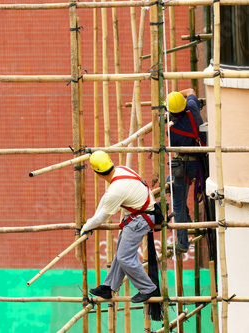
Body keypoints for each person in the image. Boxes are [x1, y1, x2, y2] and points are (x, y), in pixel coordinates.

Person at [80, 150, 158, 303]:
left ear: (97, 173)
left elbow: (103, 216)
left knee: (125, 257)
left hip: (140, 219)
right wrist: (91, 222)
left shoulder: (116, 190)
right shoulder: (122, 170)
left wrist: (86, 227)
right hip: (138, 216)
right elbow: (104, 201)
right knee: (121, 254)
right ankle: (108, 287)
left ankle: (148, 288)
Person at [166, 89, 207, 253]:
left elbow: (173, 150)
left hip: (186, 167)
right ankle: (187, 218)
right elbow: (190, 90)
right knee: (170, 180)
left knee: (177, 204)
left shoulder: (173, 131)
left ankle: (182, 242)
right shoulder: (192, 107)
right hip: (201, 163)